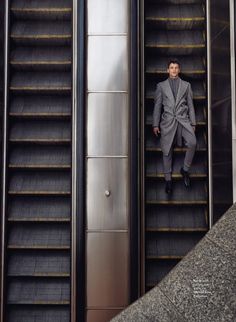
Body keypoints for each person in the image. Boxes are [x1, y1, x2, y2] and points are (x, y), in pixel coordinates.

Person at [152, 58, 197, 194]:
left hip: (183, 121)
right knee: (167, 150)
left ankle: (185, 169)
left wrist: (193, 123)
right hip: (168, 122)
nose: (174, 70)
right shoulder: (161, 86)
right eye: (171, 67)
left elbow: (190, 105)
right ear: (168, 70)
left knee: (193, 143)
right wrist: (155, 124)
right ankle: (168, 180)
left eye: (176, 67)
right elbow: (157, 106)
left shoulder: (186, 85)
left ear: (179, 69)